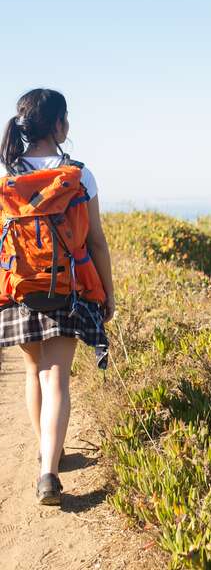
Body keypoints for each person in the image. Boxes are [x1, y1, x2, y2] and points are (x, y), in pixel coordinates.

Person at [0, 88, 115, 506]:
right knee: (57, 376)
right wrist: (107, 291)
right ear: (60, 125)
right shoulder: (79, 176)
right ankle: (48, 470)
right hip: (66, 289)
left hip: (20, 290)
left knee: (34, 374)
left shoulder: (6, 178)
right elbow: (97, 242)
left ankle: (48, 453)